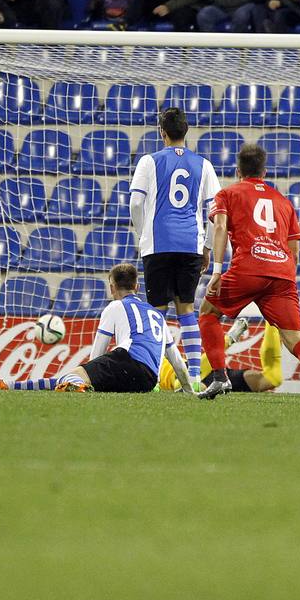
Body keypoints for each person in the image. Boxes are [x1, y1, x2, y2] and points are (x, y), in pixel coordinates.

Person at [196, 143, 300, 403]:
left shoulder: (227, 194)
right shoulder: (284, 202)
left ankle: (220, 377)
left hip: (248, 268)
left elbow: (220, 228)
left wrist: (217, 270)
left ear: (237, 171)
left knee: (208, 313)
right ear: (264, 172)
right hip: (282, 274)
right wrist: (283, 276)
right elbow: (295, 250)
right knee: (294, 339)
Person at [0, 264, 191, 393]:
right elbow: (178, 364)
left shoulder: (115, 306)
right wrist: (189, 391)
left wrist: (89, 371)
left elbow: (97, 355)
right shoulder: (156, 314)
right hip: (146, 381)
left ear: (112, 287)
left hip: (127, 361)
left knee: (73, 377)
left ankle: (71, 385)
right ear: (137, 286)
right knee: (71, 379)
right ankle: (7, 385)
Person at [128, 107, 221, 389]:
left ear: (162, 133)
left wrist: (144, 234)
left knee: (156, 313)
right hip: (190, 244)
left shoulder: (149, 161)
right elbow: (216, 212)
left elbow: (134, 203)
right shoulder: (203, 165)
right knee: (187, 308)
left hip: (158, 244)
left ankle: (154, 377)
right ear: (186, 131)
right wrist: (206, 247)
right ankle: (193, 375)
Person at [158, 317, 284, 394]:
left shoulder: (151, 350)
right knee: (272, 379)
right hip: (188, 379)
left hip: (184, 371)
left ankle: (271, 321)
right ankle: (229, 339)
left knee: (273, 379)